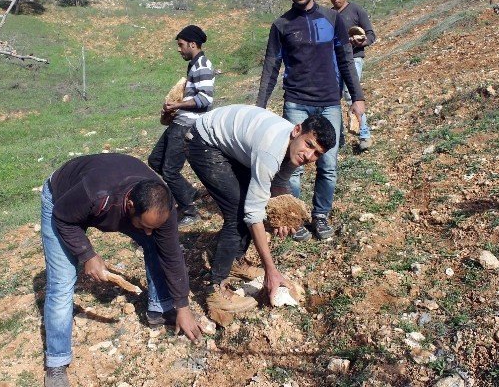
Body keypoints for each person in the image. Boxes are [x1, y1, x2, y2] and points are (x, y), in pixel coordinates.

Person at [40, 153, 203, 387]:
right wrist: (87, 254)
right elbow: (63, 219)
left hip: (104, 194)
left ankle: (160, 309)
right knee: (62, 281)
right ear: (130, 205)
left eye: (153, 226)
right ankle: (56, 363)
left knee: (157, 244)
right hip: (62, 202)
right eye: (144, 226)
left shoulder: (162, 210)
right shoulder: (97, 194)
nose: (148, 232)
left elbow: (172, 256)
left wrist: (183, 306)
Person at [185, 104, 336, 313]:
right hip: (204, 140)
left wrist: (283, 215)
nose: (309, 156)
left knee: (251, 200)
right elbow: (252, 214)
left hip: (230, 141)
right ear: (297, 130)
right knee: (237, 214)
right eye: (309, 145)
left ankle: (236, 261)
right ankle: (215, 291)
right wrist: (271, 270)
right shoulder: (270, 152)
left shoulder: (294, 149)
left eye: (317, 154)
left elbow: (280, 182)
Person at [256, 0, 366, 241]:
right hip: (296, 103)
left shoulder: (332, 19)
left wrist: (357, 97)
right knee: (292, 166)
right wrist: (259, 105)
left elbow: (345, 60)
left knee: (327, 164)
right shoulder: (281, 25)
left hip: (329, 101)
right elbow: (271, 67)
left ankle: (320, 215)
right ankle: (295, 218)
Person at [148, 25, 215, 227]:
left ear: (192, 44)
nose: (179, 49)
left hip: (187, 124)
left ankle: (190, 210)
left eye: (181, 45)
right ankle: (188, 192)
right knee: (155, 159)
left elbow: (205, 100)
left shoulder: (202, 65)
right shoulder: (194, 64)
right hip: (180, 120)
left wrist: (177, 104)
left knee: (170, 171)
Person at [326, 0, 376, 151]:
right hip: (334, 60)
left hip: (354, 58)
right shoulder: (329, 14)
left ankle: (364, 134)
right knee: (333, 97)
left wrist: (360, 41)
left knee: (351, 94)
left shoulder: (356, 10)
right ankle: (338, 138)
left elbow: (371, 35)